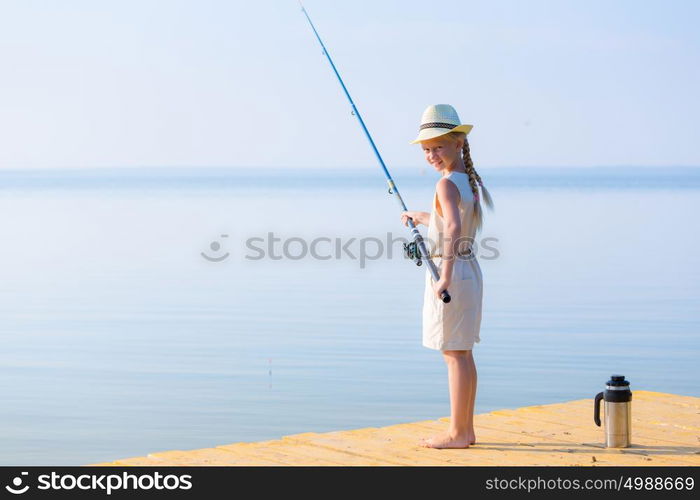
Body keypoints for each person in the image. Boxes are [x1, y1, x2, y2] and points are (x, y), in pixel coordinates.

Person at [401, 104, 494, 449]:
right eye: (427, 149)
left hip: (452, 271)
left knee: (454, 354)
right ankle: (465, 431)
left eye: (438, 146)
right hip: (469, 269)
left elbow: (453, 227)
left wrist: (445, 276)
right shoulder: (465, 181)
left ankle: (457, 433)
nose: (432, 155)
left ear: (458, 143)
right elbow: (450, 222)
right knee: (462, 352)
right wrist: (422, 217)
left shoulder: (445, 184)